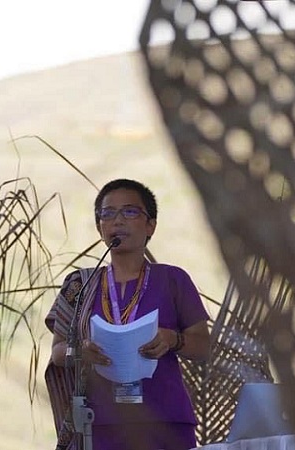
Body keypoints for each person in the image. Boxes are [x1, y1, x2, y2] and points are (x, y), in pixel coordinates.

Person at [45, 178, 211, 450]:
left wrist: (173, 340)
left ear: (150, 225)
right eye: (107, 214)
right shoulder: (80, 284)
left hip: (165, 422)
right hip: (98, 423)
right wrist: (80, 350)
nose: (117, 221)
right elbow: (58, 353)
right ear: (100, 227)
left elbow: (203, 347)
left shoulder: (173, 280)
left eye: (130, 211)